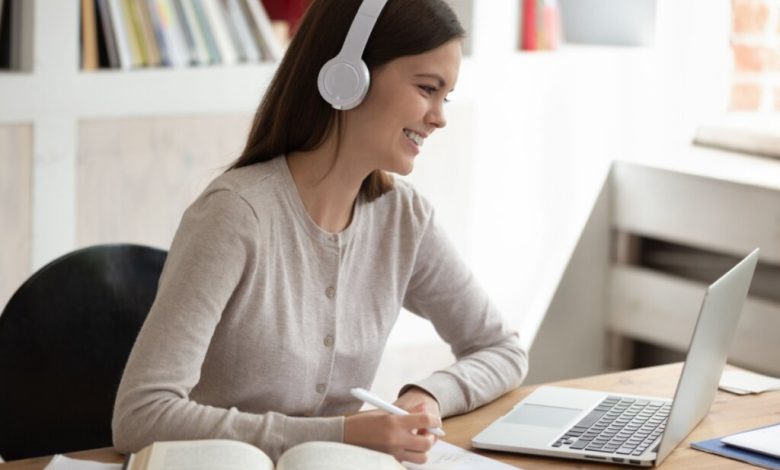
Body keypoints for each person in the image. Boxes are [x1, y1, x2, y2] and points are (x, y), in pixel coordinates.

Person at [112, 0, 528, 464]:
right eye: (427, 88)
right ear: (349, 77)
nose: (439, 116)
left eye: (445, 96)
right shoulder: (236, 214)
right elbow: (141, 415)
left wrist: (427, 396)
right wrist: (345, 433)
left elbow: (501, 349)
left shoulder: (403, 220)